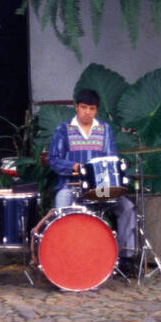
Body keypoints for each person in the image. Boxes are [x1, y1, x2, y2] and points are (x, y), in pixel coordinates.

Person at [47, 88, 138, 272]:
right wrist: (74, 167)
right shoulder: (63, 130)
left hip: (101, 188)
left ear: (96, 110)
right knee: (62, 203)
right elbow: (53, 160)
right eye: (83, 107)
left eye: (92, 108)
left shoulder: (105, 130)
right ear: (76, 107)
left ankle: (125, 258)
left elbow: (111, 158)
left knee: (127, 207)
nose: (87, 112)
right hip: (71, 186)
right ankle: (65, 257)